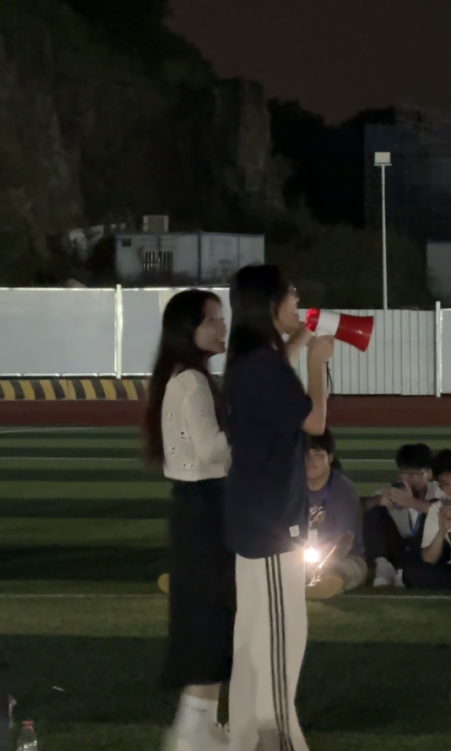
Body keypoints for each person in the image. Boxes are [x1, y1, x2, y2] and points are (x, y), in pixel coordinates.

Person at [222, 265, 333, 751]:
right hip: (272, 521)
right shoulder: (264, 365)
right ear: (270, 303)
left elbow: (275, 373)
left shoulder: (252, 359)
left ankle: (246, 737)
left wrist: (300, 341)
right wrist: (318, 363)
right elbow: (315, 421)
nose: (297, 301)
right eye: (291, 295)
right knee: (280, 639)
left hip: (254, 517)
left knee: (252, 637)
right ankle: (279, 738)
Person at [142, 289, 233, 751]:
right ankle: (193, 728)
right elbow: (213, 450)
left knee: (208, 612)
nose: (222, 326)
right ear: (187, 330)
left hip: (199, 505)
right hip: (204, 507)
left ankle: (201, 724)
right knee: (209, 614)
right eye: (211, 320)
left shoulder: (183, 377)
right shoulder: (192, 381)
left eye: (221, 317)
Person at [364, 443, 440, 587]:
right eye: (405, 473)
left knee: (433, 512)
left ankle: (405, 571)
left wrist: (412, 502)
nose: (411, 479)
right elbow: (357, 510)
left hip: (426, 549)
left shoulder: (438, 491)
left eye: (417, 474)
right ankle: (384, 565)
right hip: (397, 548)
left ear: (429, 473)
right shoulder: (392, 492)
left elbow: (447, 511)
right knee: (374, 512)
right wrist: (377, 500)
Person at [304, 428, 367, 601]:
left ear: (330, 458)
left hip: (344, 558)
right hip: (302, 558)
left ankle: (312, 589)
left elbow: (345, 539)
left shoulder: (343, 489)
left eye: (317, 455)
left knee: (335, 573)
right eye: (305, 455)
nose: (310, 461)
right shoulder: (294, 487)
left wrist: (326, 564)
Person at [405, 449, 451, 592]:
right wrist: (441, 531)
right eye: (445, 484)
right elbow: (429, 559)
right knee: (413, 573)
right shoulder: (439, 508)